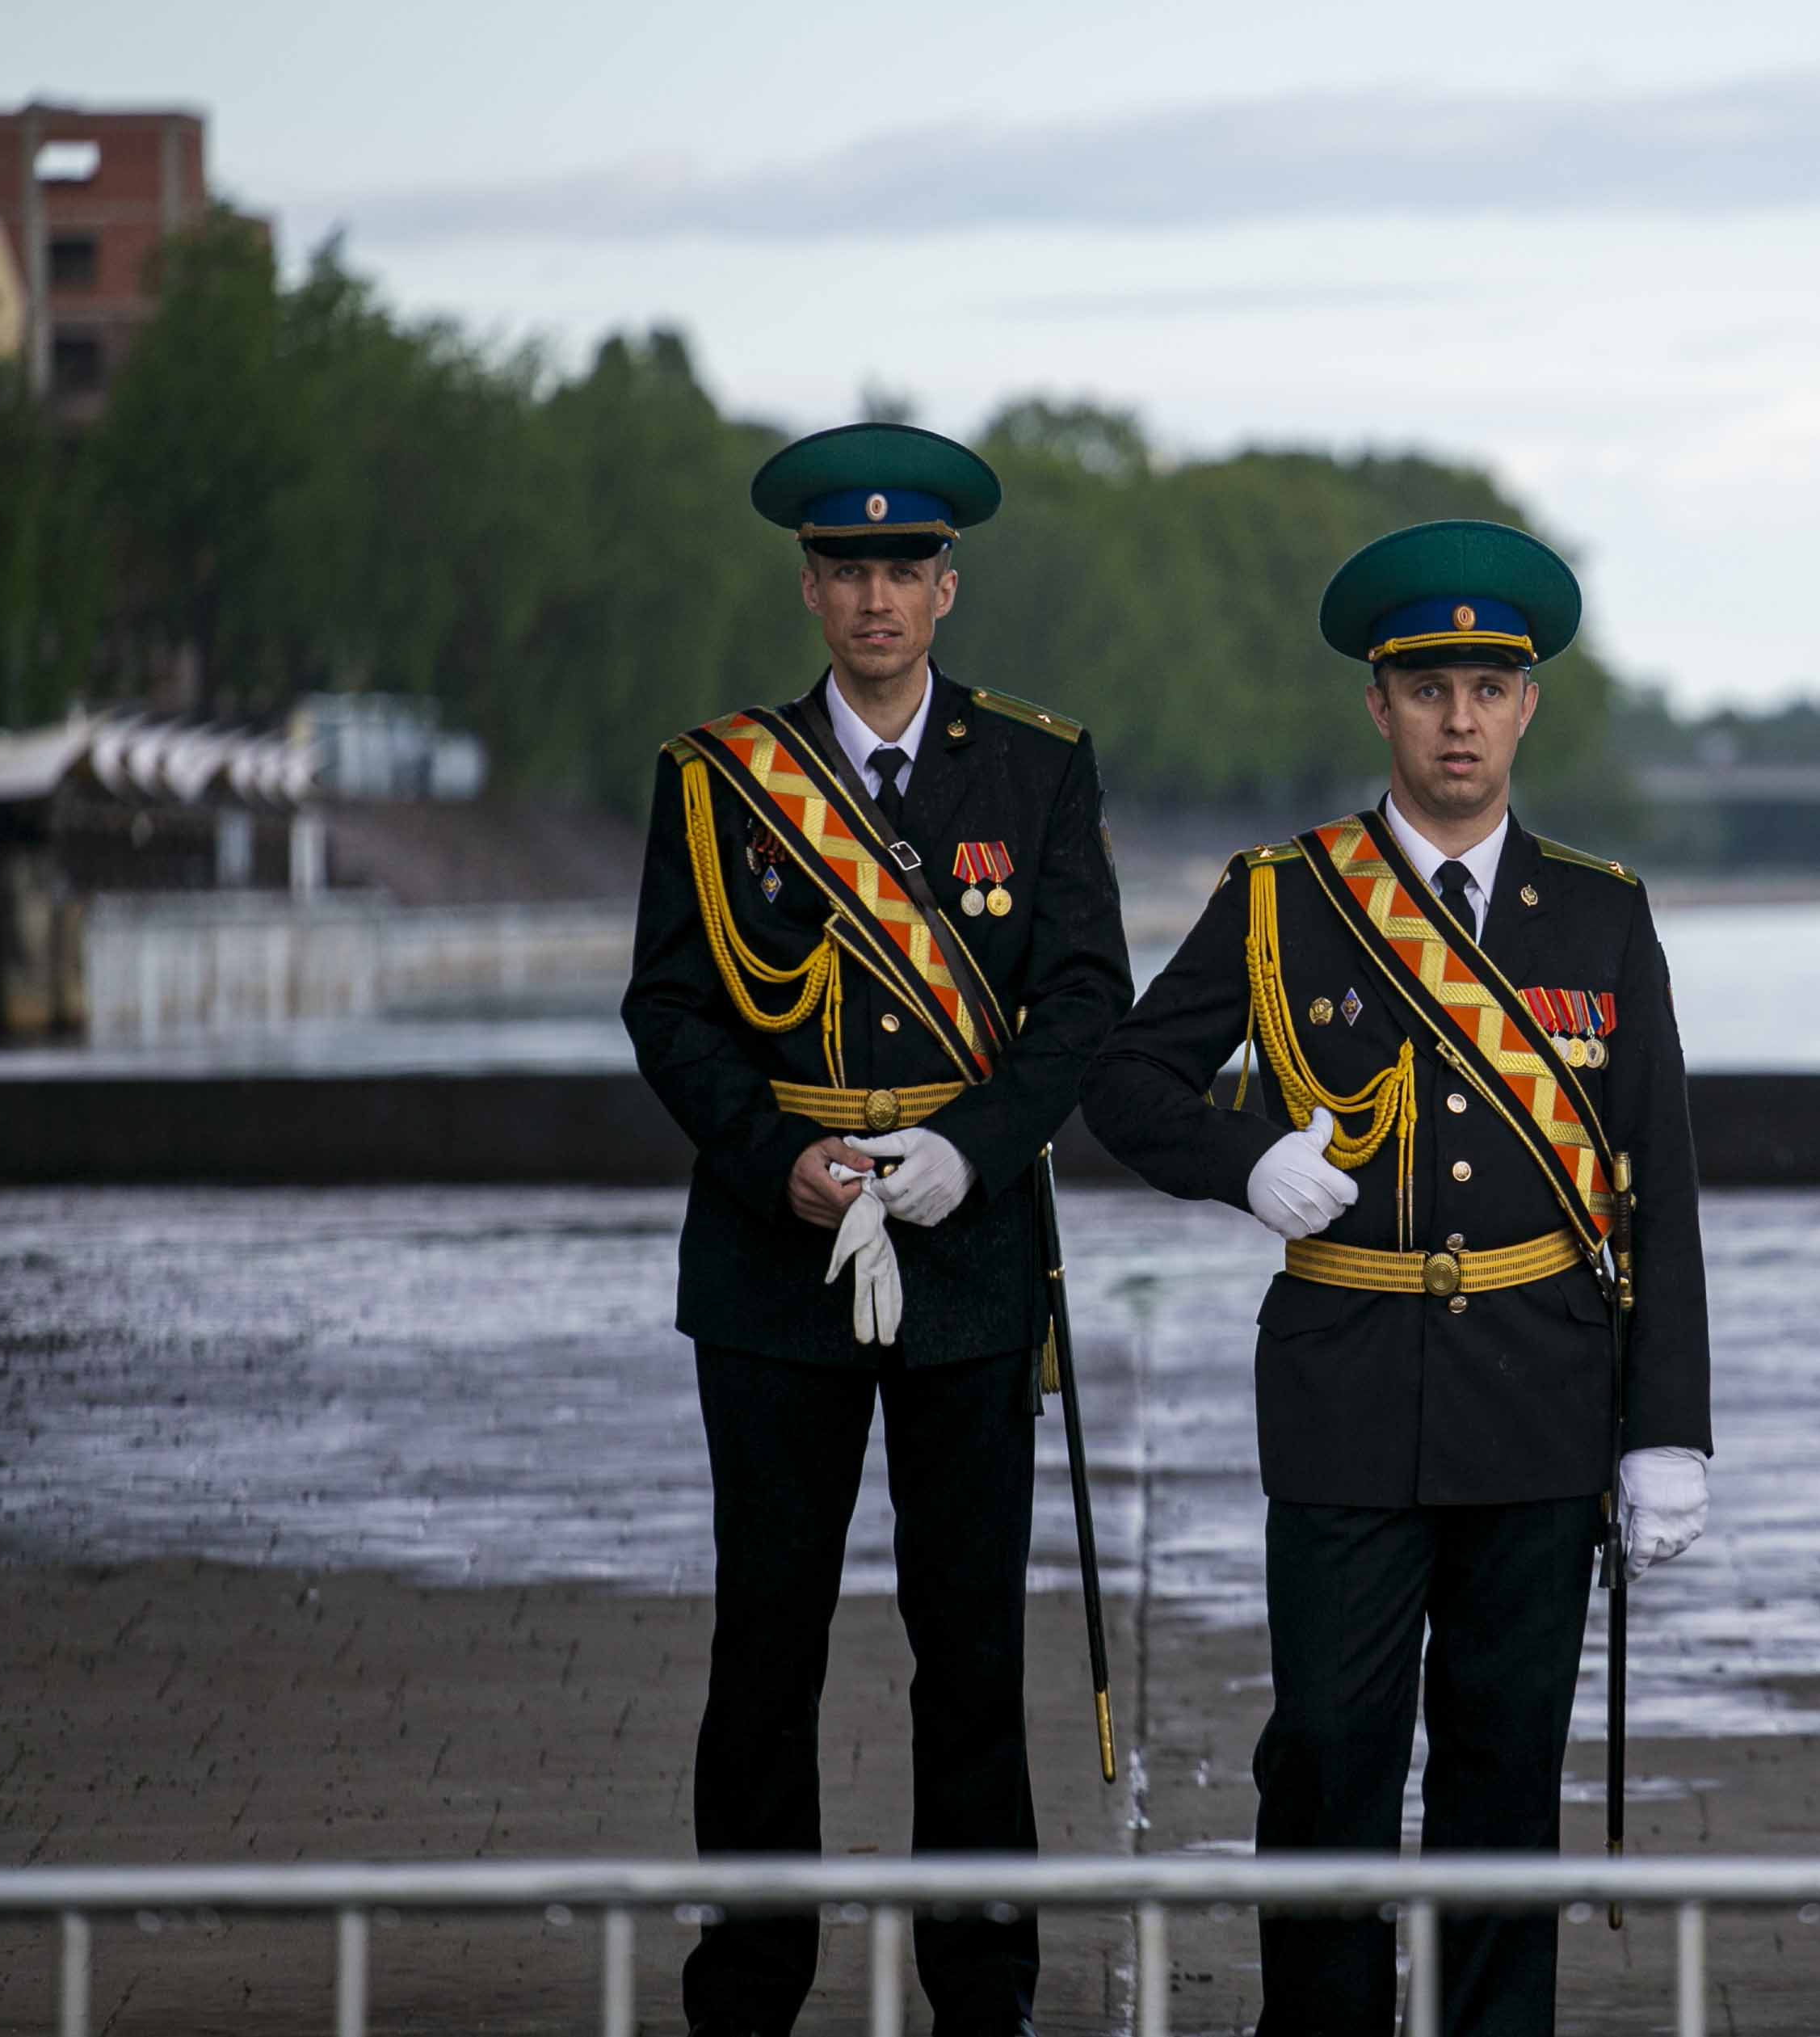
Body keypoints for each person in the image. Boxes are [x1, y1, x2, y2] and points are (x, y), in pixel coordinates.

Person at [1082, 519, 1713, 2037]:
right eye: (1427, 688)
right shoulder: (1286, 896)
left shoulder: (1602, 912)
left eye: (1488, 687)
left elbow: (1656, 1181)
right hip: (1347, 1390)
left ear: (1526, 706)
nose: (1457, 719)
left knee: (1504, 1772)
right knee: (1327, 1759)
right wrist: (1245, 1159)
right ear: (1377, 702)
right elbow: (1125, 1078)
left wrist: (1666, 1427)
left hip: (1540, 1397)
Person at [620, 421, 1133, 2037]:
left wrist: (966, 1155)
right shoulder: (716, 778)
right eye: (846, 570)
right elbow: (669, 1006)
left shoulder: (1039, 765)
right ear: (810, 586)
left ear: (947, 588)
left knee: (969, 1650)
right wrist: (781, 1159)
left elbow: (1083, 1001)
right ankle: (750, 1984)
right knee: (764, 1646)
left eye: (903, 570)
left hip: (968, 1257)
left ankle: (982, 1989)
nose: (874, 598)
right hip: (776, 1255)